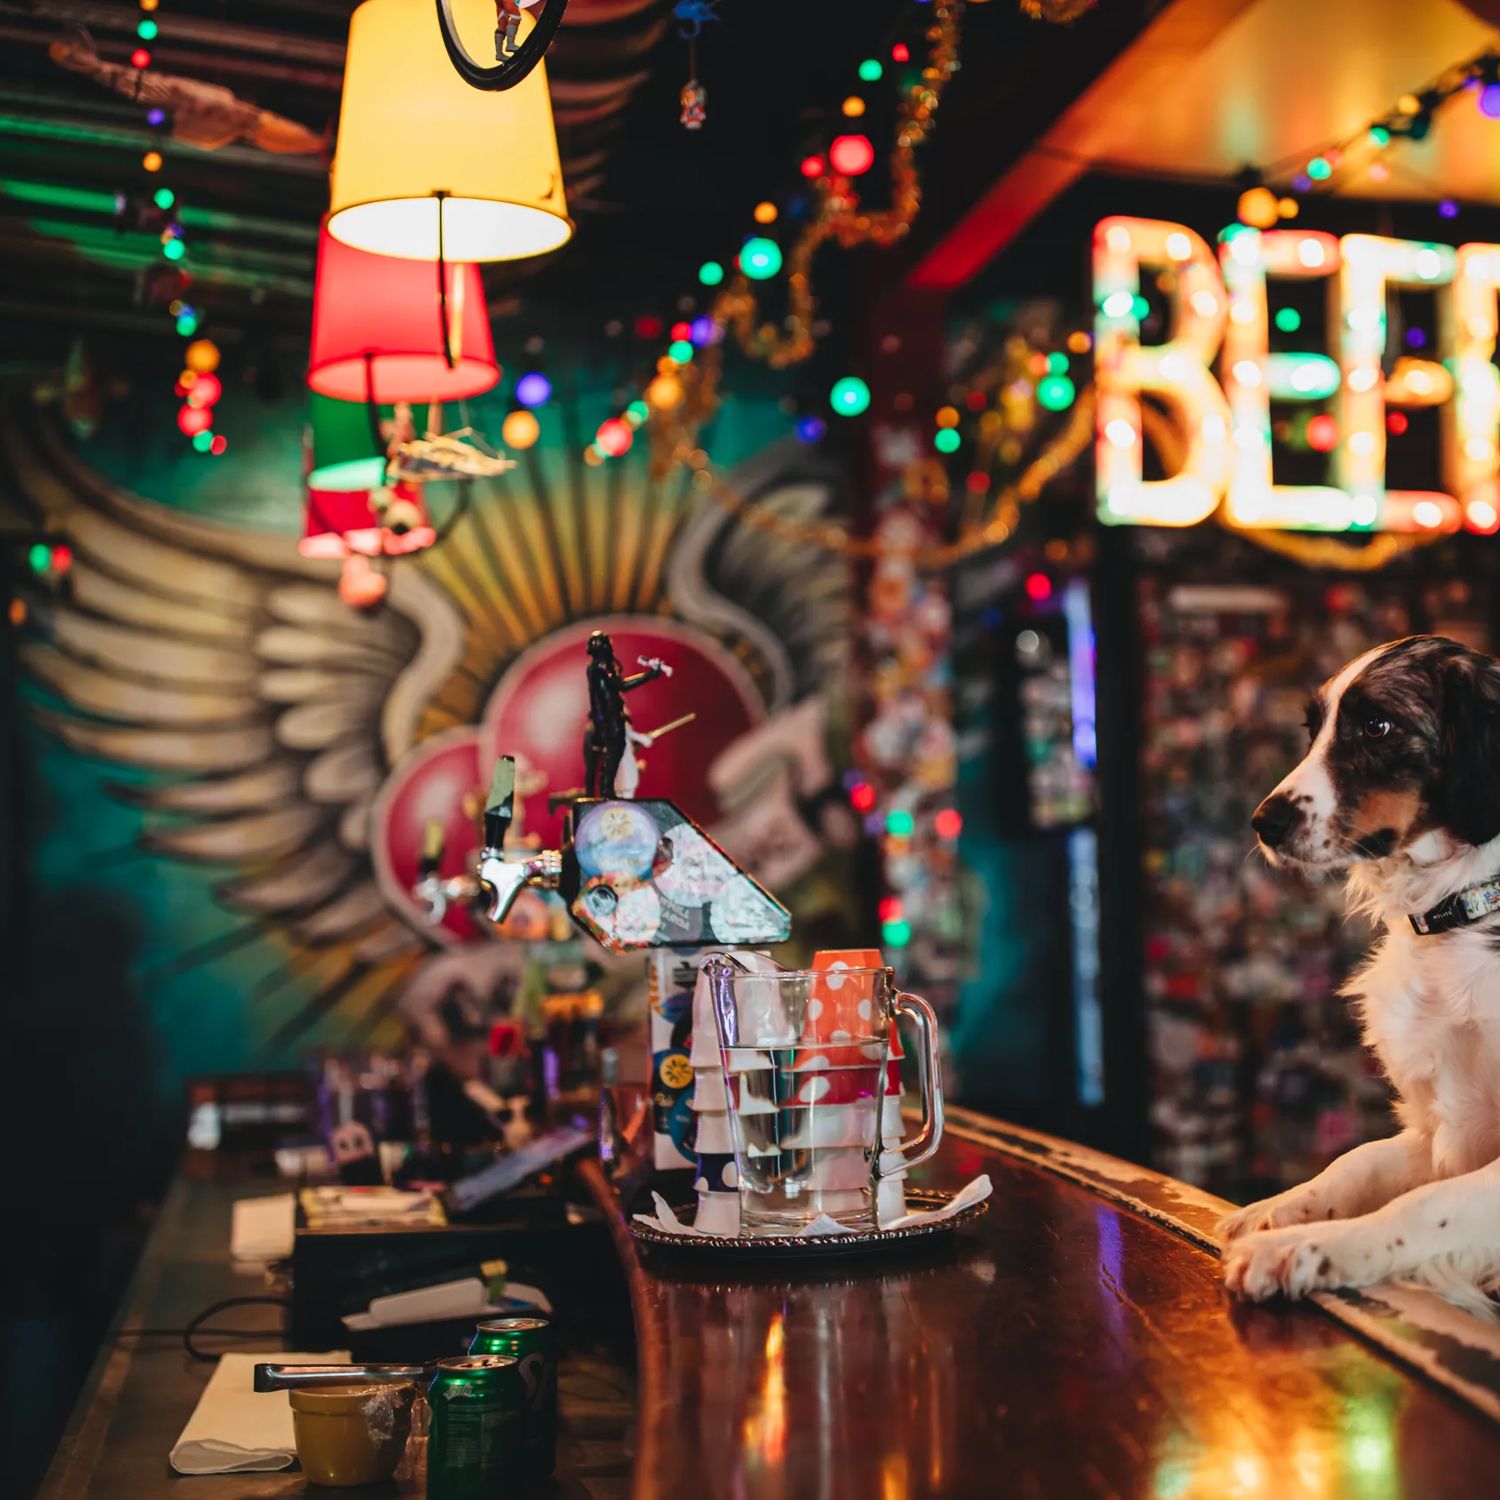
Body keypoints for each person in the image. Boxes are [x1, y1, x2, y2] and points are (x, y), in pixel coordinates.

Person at [583, 631, 667, 798]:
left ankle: (607, 791)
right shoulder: (599, 669)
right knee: (614, 753)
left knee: (616, 753)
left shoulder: (597, 668)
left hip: (610, 719)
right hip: (610, 720)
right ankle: (607, 791)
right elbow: (621, 685)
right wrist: (649, 675)